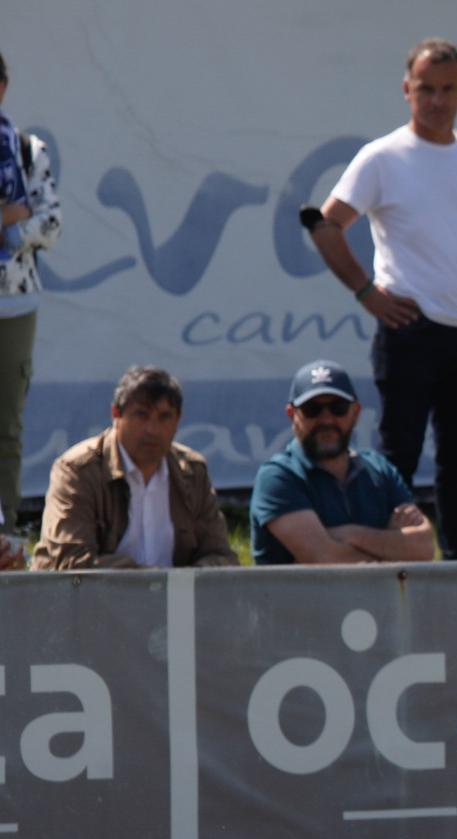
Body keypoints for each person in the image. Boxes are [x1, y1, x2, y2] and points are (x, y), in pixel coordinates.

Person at [309, 38, 457, 561]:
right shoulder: (382, 157)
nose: (436, 100)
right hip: (409, 328)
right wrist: (365, 292)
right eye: (426, 88)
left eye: (447, 90)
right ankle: (387, 559)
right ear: (407, 90)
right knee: (397, 456)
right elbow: (325, 224)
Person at [33, 366, 237, 571]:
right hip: (91, 600)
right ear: (116, 415)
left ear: (178, 420)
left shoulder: (192, 472)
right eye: (141, 415)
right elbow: (71, 563)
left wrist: (184, 584)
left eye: (164, 417)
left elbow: (221, 556)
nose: (152, 429)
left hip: (176, 600)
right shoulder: (78, 471)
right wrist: (153, 584)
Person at [250, 359, 436, 565]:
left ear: (355, 412)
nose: (327, 420)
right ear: (292, 415)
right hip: (301, 598)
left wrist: (352, 534)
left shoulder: (379, 469)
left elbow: (424, 548)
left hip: (379, 598)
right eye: (312, 409)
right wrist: (394, 550)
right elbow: (325, 560)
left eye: (338, 408)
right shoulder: (278, 477)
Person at [0, 50, 63, 531]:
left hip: (15, 302)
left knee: (7, 427)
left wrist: (16, 229)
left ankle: (3, 529)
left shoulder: (26, 150)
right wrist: (9, 215)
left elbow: (52, 221)